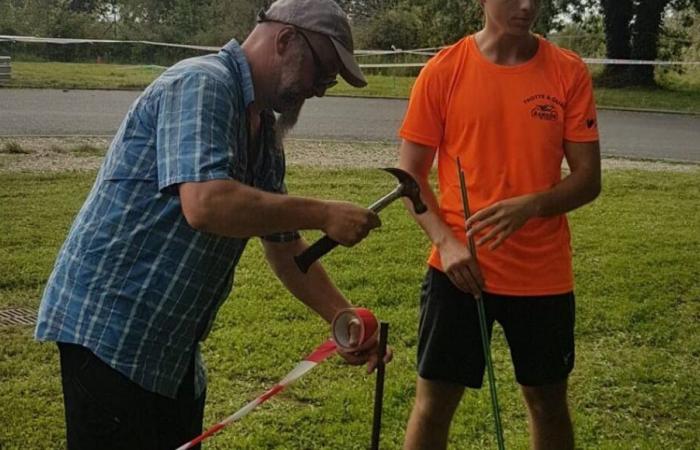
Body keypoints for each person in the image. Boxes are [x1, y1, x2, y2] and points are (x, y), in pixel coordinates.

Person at [34, 1, 391, 448]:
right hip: (110, 334)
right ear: (285, 41)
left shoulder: (263, 133)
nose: (319, 90)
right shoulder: (202, 84)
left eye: (330, 81)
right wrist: (322, 212)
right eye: (321, 72)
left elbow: (284, 248)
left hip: (171, 352)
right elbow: (206, 204)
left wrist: (344, 319)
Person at [398, 1, 601, 449]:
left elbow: (588, 180)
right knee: (433, 406)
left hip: (542, 274)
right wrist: (446, 244)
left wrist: (531, 206)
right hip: (459, 271)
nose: (527, 6)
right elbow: (410, 176)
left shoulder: (567, 71)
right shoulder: (443, 70)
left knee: (547, 404)